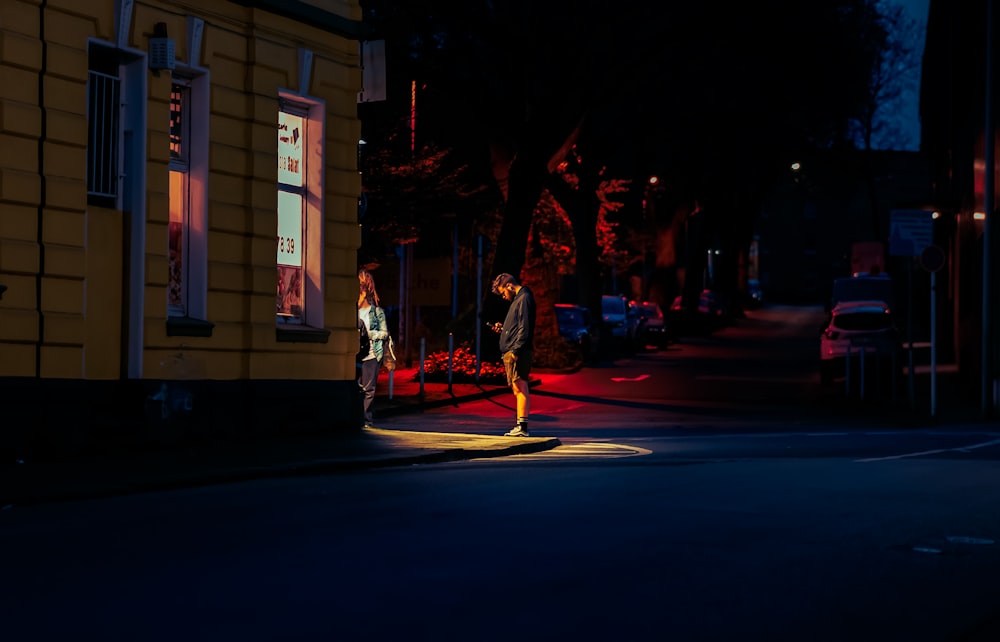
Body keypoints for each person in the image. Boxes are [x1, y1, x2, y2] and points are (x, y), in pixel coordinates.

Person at [489, 272, 536, 437]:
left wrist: (516, 350)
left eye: (503, 292)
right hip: (514, 348)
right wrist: (504, 331)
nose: (503, 296)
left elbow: (525, 326)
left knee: (520, 387)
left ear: (509, 285)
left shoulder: (523, 299)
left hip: (517, 351)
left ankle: (522, 426)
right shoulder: (520, 299)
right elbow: (519, 326)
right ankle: (521, 425)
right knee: (518, 387)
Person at [358, 269, 390, 429]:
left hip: (371, 354)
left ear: (364, 292)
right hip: (356, 355)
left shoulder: (377, 312)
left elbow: (384, 333)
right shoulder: (353, 311)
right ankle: (356, 419)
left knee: (368, 389)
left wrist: (368, 334)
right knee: (356, 389)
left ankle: (367, 421)